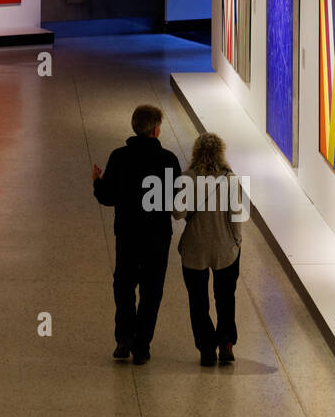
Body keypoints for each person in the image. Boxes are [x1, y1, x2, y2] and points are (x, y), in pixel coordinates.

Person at [92, 105, 181, 366]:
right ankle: (142, 346)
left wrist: (97, 181)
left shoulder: (119, 157)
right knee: (152, 291)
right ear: (155, 130)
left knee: (124, 286)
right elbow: (174, 200)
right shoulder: (168, 160)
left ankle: (123, 338)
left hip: (128, 235)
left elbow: (107, 197)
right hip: (157, 237)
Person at [173, 133, 242, 368]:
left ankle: (206, 349)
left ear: (196, 152)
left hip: (195, 248)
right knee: (225, 298)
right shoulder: (230, 180)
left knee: (198, 301)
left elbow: (178, 214)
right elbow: (236, 218)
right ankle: (226, 344)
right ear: (221, 152)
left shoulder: (188, 178)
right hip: (225, 249)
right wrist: (237, 241)